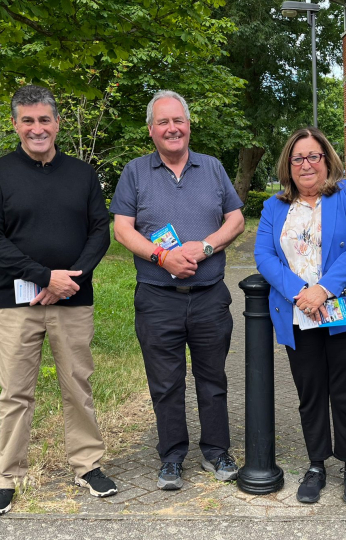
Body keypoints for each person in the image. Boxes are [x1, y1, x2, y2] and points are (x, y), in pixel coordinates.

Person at [0, 85, 117, 516]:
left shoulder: (83, 174)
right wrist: (43, 277)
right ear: (16, 124)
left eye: (44, 120)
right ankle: (8, 477)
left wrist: (69, 280)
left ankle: (87, 465)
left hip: (73, 298)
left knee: (78, 385)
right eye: (28, 120)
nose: (37, 128)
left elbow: (100, 230)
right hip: (15, 302)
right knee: (16, 392)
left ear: (56, 123)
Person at [110, 90, 245, 490]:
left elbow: (235, 220)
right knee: (165, 383)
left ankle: (217, 451)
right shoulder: (135, 172)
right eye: (163, 122)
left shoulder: (214, 168)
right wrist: (160, 257)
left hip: (209, 296)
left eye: (178, 121)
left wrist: (204, 247)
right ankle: (171, 457)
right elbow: (122, 229)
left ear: (188, 125)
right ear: (151, 130)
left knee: (213, 378)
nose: (173, 128)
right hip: (157, 298)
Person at [254, 127, 346, 506]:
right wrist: (301, 293)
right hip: (300, 312)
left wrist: (323, 289)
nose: (306, 164)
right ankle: (316, 464)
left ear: (327, 159)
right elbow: (264, 256)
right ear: (289, 165)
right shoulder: (273, 206)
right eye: (298, 158)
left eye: (313, 156)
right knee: (310, 393)